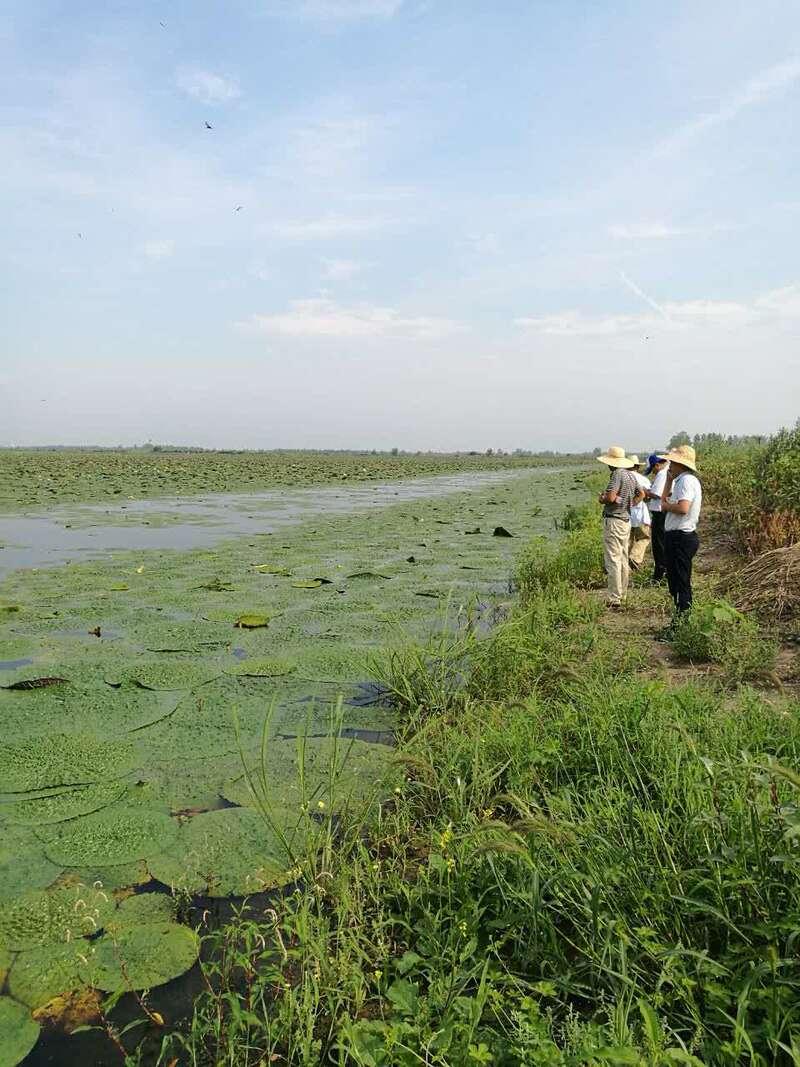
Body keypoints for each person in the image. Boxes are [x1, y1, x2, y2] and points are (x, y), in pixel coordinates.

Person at [596, 446, 642, 609]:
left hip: (614, 521)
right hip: (625, 520)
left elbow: (611, 496)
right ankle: (622, 594)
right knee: (622, 558)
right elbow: (641, 494)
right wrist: (629, 505)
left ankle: (614, 598)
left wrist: (603, 498)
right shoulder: (630, 475)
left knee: (613, 559)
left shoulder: (617, 474)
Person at [661, 444, 702, 614]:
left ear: (681, 464)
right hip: (678, 537)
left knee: (680, 582)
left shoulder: (686, 481)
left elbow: (683, 508)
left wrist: (668, 506)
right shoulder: (681, 481)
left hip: (680, 538)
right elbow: (663, 501)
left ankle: (682, 622)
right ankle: (680, 619)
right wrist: (669, 481)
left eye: (673, 463)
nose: (670, 465)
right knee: (676, 581)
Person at [645, 453, 669, 583]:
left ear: (657, 465)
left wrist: (645, 492)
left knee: (659, 545)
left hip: (660, 514)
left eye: (652, 469)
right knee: (662, 544)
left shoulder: (662, 474)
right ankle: (663, 572)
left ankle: (659, 575)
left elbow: (657, 494)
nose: (653, 472)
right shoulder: (665, 473)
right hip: (662, 513)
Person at [627, 456, 652, 571]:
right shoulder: (643, 480)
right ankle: (635, 557)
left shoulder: (622, 478)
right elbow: (648, 497)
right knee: (644, 537)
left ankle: (624, 563)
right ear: (637, 466)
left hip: (625, 514)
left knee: (628, 540)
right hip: (640, 514)